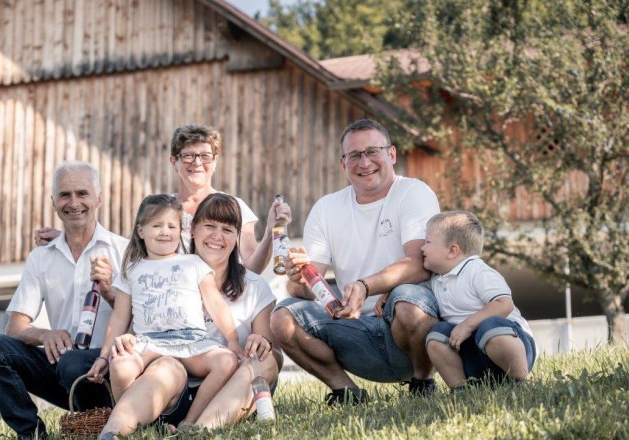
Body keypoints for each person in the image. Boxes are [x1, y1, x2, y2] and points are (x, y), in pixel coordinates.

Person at [270, 119, 441, 405]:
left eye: (373, 151)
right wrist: (298, 277)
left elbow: (418, 264)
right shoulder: (327, 208)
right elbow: (306, 289)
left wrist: (364, 286)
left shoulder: (414, 192)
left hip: (408, 329)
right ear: (343, 164)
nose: (364, 162)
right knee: (282, 317)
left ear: (392, 155)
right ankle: (347, 392)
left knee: (407, 297)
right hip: (353, 330)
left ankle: (422, 383)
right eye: (354, 155)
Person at [98, 193, 282, 438]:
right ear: (192, 229)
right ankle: (115, 431)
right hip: (168, 387)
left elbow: (271, 350)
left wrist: (257, 342)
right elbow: (134, 310)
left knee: (262, 359)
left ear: (237, 237)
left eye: (227, 230)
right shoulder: (158, 266)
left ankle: (193, 430)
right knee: (164, 367)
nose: (217, 236)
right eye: (209, 226)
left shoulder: (253, 286)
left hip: (223, 394)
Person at [0, 161, 129, 440]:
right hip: (63, 367)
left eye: (83, 193)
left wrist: (109, 291)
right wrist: (46, 334)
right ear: (54, 202)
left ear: (99, 199)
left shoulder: (124, 250)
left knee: (73, 362)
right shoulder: (41, 257)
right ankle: (30, 433)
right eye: (65, 195)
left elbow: (144, 321)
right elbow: (15, 327)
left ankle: (110, 419)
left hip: (111, 371)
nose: (74, 202)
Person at [35, 123, 292, 274]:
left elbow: (252, 268)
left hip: (223, 304)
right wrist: (70, 240)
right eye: (188, 156)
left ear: (215, 162)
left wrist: (270, 230)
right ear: (174, 162)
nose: (197, 163)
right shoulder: (159, 207)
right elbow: (129, 253)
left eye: (204, 156)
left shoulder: (234, 207)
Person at [421, 211, 537, 391]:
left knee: (491, 327)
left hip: (513, 346)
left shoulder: (477, 271)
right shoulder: (436, 280)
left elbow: (504, 304)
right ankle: (462, 389)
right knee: (437, 334)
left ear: (452, 250)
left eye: (427, 242)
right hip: (473, 355)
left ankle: (521, 380)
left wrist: (467, 325)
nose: (422, 247)